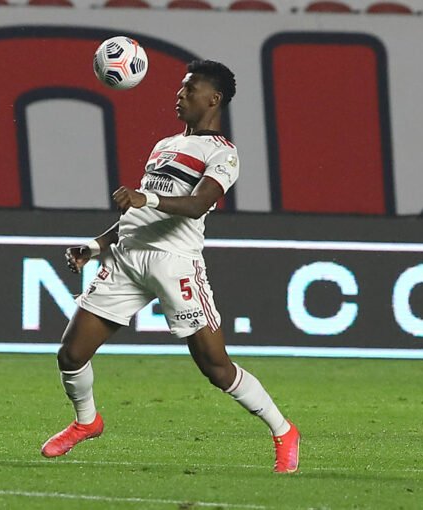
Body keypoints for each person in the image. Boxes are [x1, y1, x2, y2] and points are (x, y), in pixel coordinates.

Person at [40, 60, 300, 473]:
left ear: (213, 99)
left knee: (216, 368)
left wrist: (146, 199)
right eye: (181, 88)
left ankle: (284, 431)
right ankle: (86, 422)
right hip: (128, 259)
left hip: (175, 263)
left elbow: (198, 204)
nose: (179, 95)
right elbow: (138, 211)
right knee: (71, 353)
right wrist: (96, 245)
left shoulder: (223, 153)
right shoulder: (164, 145)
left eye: (189, 89)